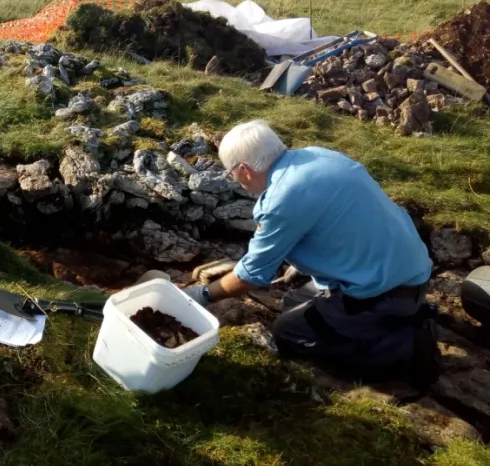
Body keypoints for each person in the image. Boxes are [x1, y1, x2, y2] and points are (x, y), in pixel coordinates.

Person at [184, 120, 439, 385]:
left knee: (288, 333)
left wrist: (200, 295)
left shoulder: (281, 199)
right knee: (292, 303)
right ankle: (386, 319)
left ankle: (404, 346)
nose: (235, 180)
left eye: (231, 174)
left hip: (385, 293)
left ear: (244, 170)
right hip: (411, 271)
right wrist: (300, 266)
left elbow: (251, 276)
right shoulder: (320, 156)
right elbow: (337, 222)